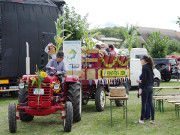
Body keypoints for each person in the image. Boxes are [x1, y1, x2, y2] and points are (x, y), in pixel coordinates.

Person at [135, 55, 155, 124]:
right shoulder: (150, 67)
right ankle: (153, 120)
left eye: (141, 60)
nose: (141, 61)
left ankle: (141, 120)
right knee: (151, 103)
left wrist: (139, 83)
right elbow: (152, 78)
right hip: (151, 87)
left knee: (143, 104)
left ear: (144, 60)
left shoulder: (144, 67)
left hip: (146, 88)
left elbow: (144, 80)